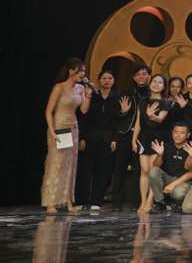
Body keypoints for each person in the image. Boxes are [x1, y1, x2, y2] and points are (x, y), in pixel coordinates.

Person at [42, 58, 91, 213]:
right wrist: (52, 131)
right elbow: (48, 112)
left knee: (70, 165)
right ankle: (51, 202)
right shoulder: (59, 87)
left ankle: (68, 201)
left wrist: (88, 96)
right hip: (59, 127)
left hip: (73, 128)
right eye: (80, 70)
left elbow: (83, 110)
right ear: (71, 71)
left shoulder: (80, 88)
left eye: (84, 71)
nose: (83, 74)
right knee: (56, 164)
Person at [77, 69, 117, 210]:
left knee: (103, 170)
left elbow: (117, 121)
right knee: (85, 169)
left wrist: (115, 139)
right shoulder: (92, 95)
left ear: (113, 81)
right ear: (99, 80)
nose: (106, 81)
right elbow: (83, 117)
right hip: (90, 137)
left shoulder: (117, 97)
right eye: (104, 78)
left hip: (107, 138)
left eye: (110, 78)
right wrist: (82, 137)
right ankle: (81, 200)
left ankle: (96, 201)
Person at [110, 64, 149, 210]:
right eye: (138, 74)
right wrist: (123, 112)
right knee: (119, 169)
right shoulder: (125, 93)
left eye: (144, 74)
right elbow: (114, 117)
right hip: (124, 134)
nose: (141, 77)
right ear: (134, 77)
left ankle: (136, 202)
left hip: (142, 136)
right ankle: (116, 202)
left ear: (149, 76)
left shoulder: (151, 94)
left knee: (139, 170)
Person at [134, 74, 172, 212]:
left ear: (164, 86)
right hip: (143, 138)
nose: (156, 84)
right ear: (150, 84)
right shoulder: (143, 101)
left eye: (160, 82)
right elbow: (138, 123)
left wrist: (151, 115)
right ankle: (143, 201)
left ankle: (149, 202)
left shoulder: (166, 102)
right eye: (154, 81)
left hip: (158, 139)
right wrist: (134, 140)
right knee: (144, 170)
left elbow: (160, 119)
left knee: (152, 171)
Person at [148, 122, 192, 212]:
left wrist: (173, 185)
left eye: (182, 133)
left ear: (188, 135)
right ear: (172, 133)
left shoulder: (191, 148)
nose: (178, 135)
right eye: (176, 132)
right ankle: (160, 202)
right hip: (168, 178)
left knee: (178, 193)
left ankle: (178, 204)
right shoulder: (167, 146)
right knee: (153, 171)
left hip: (183, 181)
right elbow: (156, 166)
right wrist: (160, 155)